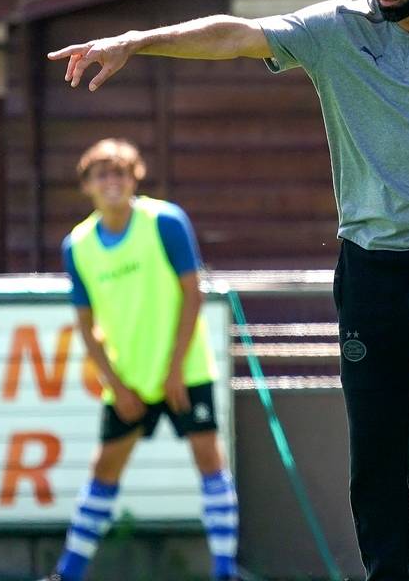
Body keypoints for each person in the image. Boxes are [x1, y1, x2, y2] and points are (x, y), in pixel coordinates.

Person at [46, 0, 409, 581]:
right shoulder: (338, 28)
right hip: (369, 266)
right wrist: (137, 39)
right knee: (375, 444)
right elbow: (234, 36)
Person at [45, 139, 236, 581]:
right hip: (129, 380)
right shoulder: (77, 245)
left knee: (209, 460)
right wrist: (116, 385)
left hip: (184, 372)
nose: (112, 181)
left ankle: (224, 570)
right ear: (87, 186)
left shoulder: (165, 221)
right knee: (104, 468)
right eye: (101, 174)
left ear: (135, 178)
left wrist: (173, 371)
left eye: (120, 172)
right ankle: (68, 572)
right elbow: (86, 324)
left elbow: (193, 294)